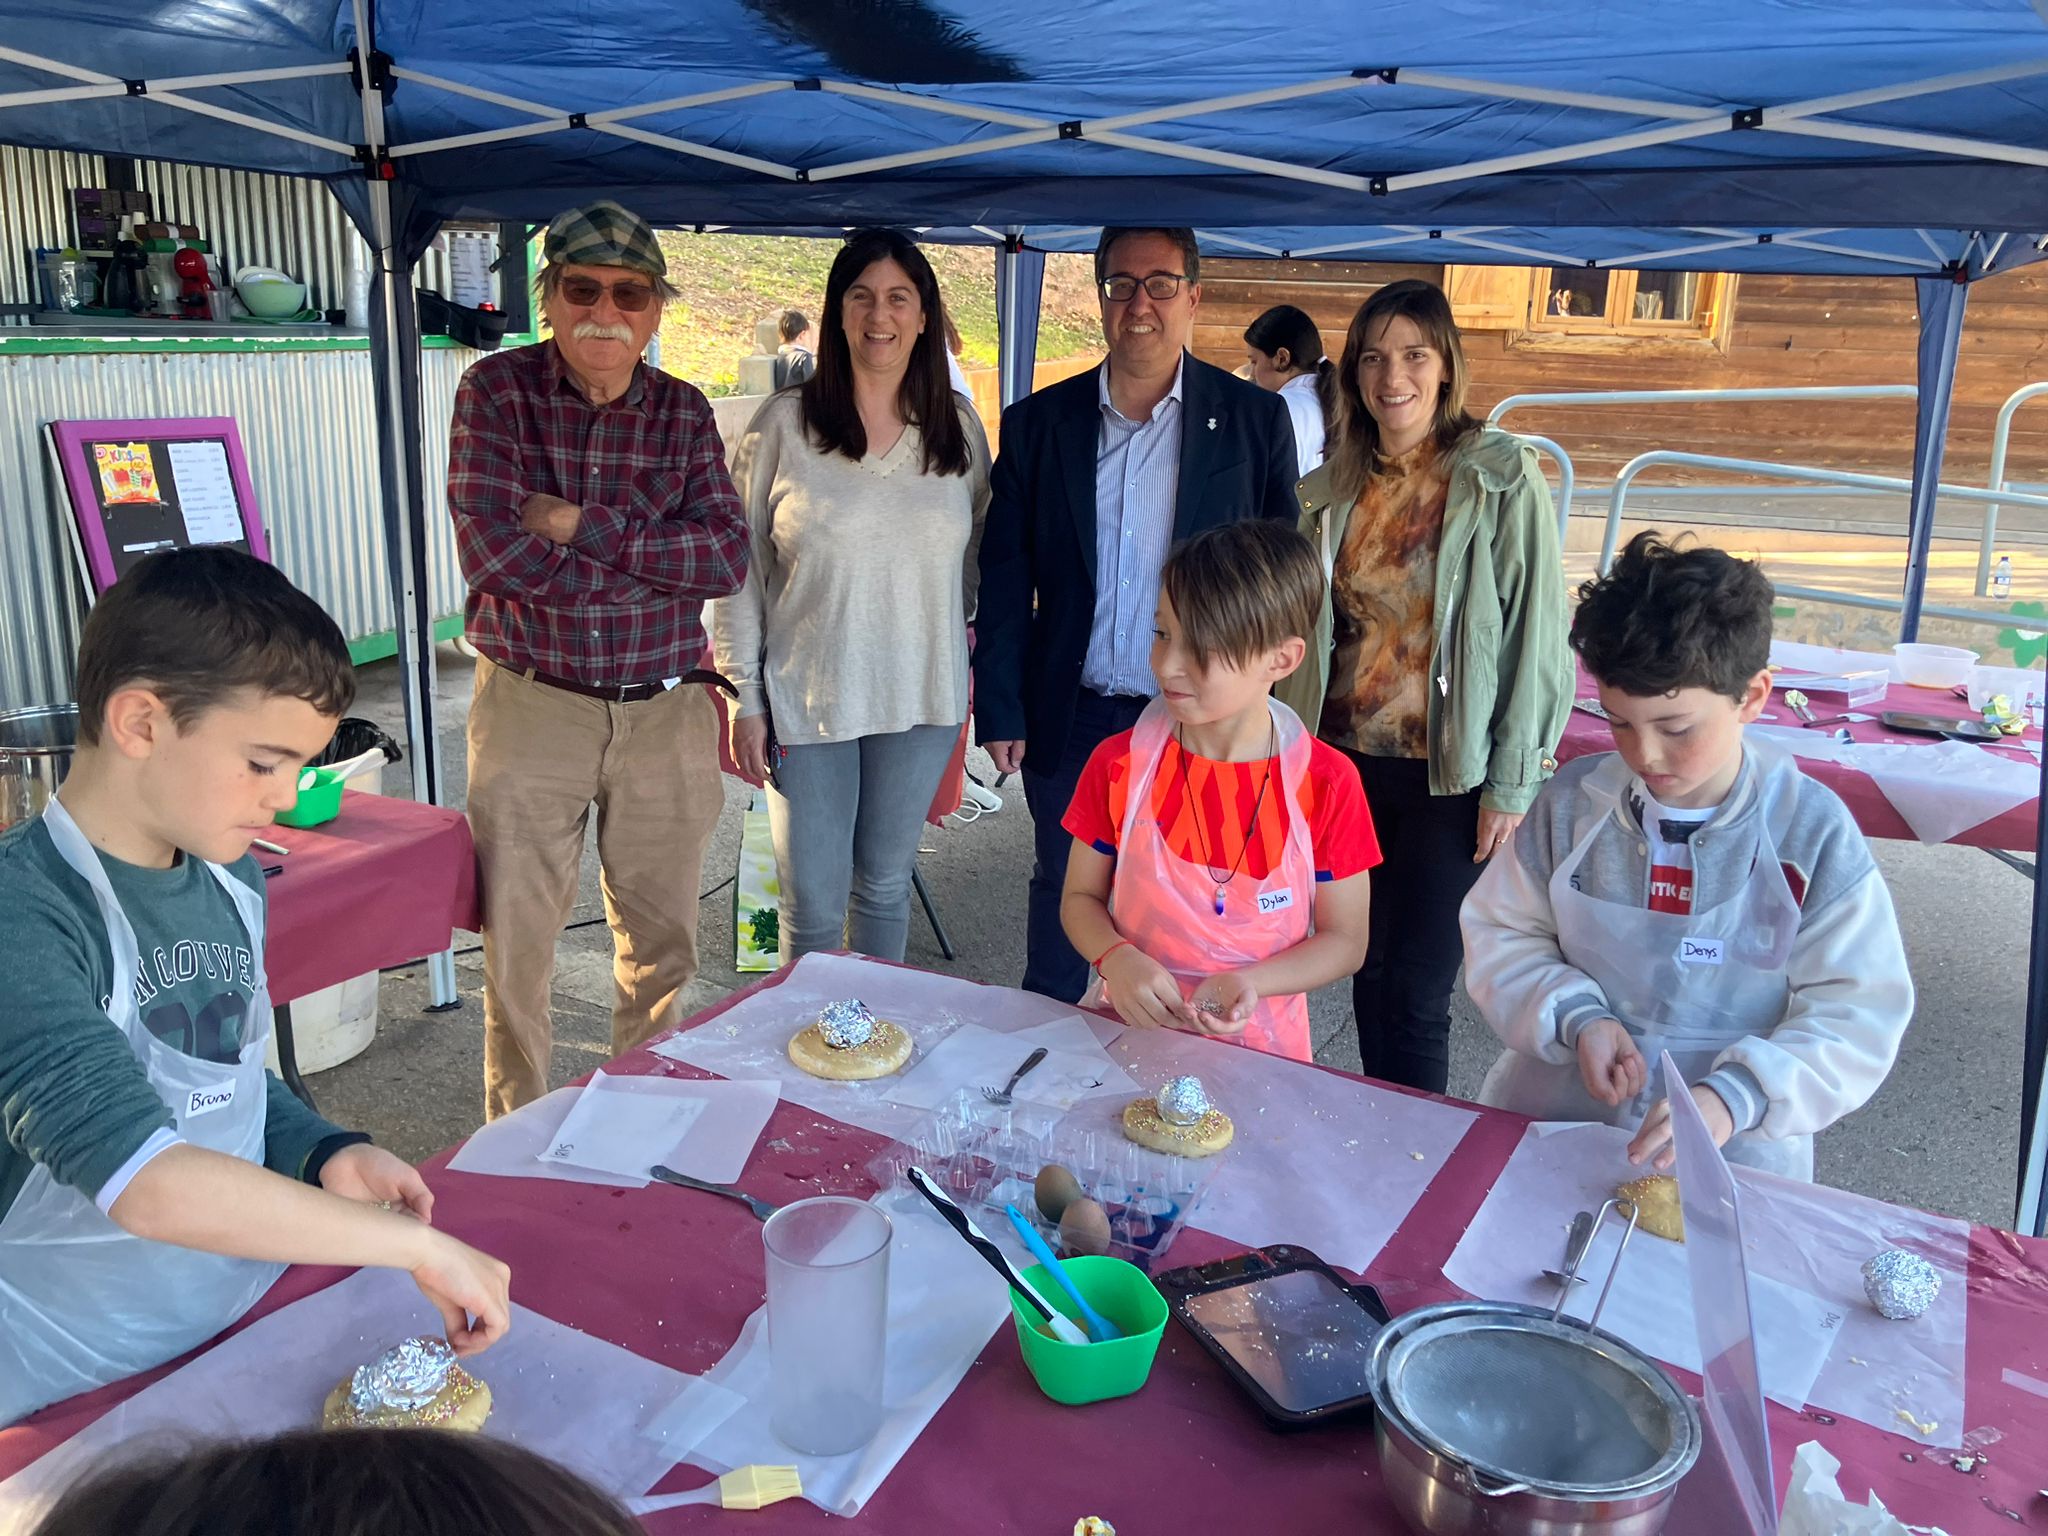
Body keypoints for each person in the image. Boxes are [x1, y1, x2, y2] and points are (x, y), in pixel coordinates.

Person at [0, 550, 510, 1428]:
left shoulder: (230, 881)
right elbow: (146, 1176)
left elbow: (220, 1076)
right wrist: (407, 1245)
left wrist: (320, 1150)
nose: (287, 796)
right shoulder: (26, 915)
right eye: (265, 762)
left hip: (236, 1318)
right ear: (140, 722)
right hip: (68, 1373)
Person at [1462, 534, 1914, 1179]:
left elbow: (1857, 1008)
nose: (1643, 756)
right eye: (1617, 721)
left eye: (1676, 729)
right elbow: (1504, 933)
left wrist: (1742, 1093)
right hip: (1557, 1122)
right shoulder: (1572, 805)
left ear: (1754, 697)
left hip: (1737, 1148)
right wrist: (1577, 1017)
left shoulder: (1809, 832)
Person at [447, 199, 750, 1120]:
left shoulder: (685, 412)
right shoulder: (494, 394)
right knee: (520, 945)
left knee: (664, 947)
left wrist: (581, 527)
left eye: (630, 292)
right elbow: (495, 557)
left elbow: (726, 558)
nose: (605, 311)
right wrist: (652, 561)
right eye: (583, 288)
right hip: (533, 705)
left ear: (656, 309)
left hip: (665, 710)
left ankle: (636, 1123)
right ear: (549, 298)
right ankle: (516, 1140)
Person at [975, 225, 1301, 1004]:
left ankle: (1172, 1080)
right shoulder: (1036, 426)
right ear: (1101, 298)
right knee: (1068, 890)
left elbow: (1278, 575)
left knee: (1188, 903)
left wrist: (1261, 704)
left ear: (1193, 295)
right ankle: (1045, 1057)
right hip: (1074, 710)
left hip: (1201, 718)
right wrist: (1002, 704)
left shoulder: (1254, 423)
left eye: (1160, 284)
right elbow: (1006, 571)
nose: (1140, 304)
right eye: (1121, 285)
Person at [1275, 278, 1572, 1096]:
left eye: (1413, 354)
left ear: (1446, 368)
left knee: (1414, 984)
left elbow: (1536, 637)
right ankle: (1382, 1125)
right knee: (1364, 965)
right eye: (1373, 357)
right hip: (1341, 764)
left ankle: (1414, 1149)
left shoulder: (1498, 475)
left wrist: (1513, 781)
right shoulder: (1336, 483)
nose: (1390, 376)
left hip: (1449, 772)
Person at [712, 229, 990, 961]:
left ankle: (874, 1059)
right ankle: (808, 1067)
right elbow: (738, 571)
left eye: (899, 297)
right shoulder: (784, 426)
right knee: (812, 910)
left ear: (925, 316)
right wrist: (746, 695)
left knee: (886, 890)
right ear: (837, 313)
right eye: (861, 296)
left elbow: (977, 561)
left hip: (920, 700)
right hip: (811, 699)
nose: (880, 315)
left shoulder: (957, 432)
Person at [1060, 522, 1377, 1062]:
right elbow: (1079, 899)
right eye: (1162, 633)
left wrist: (1254, 981)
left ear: (1281, 659)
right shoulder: (1120, 764)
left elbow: (1346, 939)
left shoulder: (1324, 782)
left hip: (1263, 1052)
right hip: (1125, 1035)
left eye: (1204, 645)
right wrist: (1115, 956)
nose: (1167, 664)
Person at [27, 1427, 639, 1536]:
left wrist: (320, 1149)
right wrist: (414, 1247)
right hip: (71, 1353)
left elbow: (243, 1102)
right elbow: (136, 1167)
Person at [1244, 303, 1335, 476]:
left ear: (1282, 358)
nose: (1252, 373)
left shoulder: (1279, 408)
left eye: (1254, 361)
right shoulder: (1330, 399)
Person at [773, 309, 815, 389]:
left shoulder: (779, 357)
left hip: (781, 399)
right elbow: (811, 388)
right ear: (802, 334)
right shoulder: (804, 357)